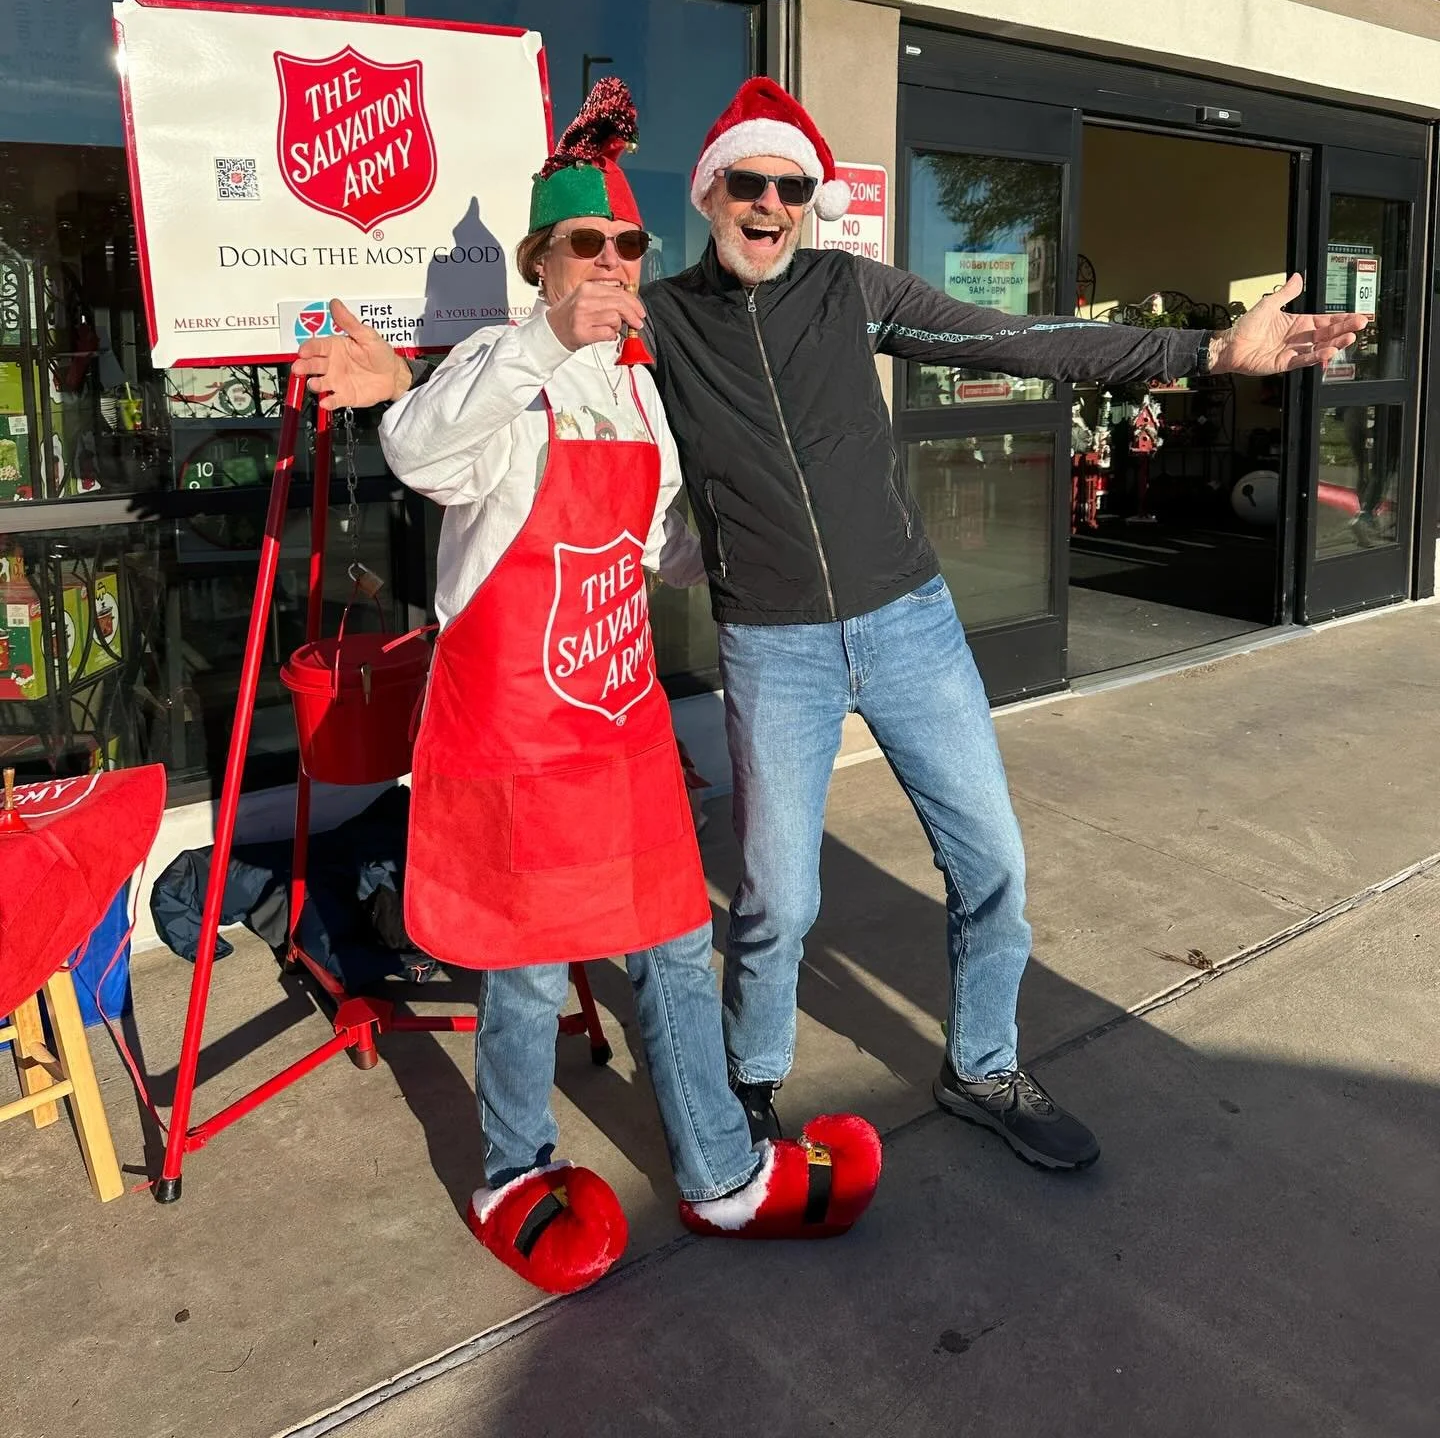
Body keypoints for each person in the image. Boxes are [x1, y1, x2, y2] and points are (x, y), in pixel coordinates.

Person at [302, 75, 1369, 1179]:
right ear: (710, 197)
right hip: (774, 645)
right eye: (748, 183)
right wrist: (401, 378)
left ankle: (985, 1064)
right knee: (777, 898)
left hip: (911, 622)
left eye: (792, 185)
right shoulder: (656, 322)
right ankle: (751, 1089)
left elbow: (1011, 341)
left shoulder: (847, 288)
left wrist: (1202, 356)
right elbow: (526, 391)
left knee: (993, 862)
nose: (771, 202)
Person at [297, 79, 880, 1298]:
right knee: (524, 968)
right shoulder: (499, 367)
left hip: (614, 725)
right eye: (585, 246)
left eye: (627, 245)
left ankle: (721, 1176)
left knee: (672, 941)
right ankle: (514, 1168)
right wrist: (542, 343)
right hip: (509, 729)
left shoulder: (639, 387)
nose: (612, 265)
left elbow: (659, 538)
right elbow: (420, 450)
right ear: (540, 262)